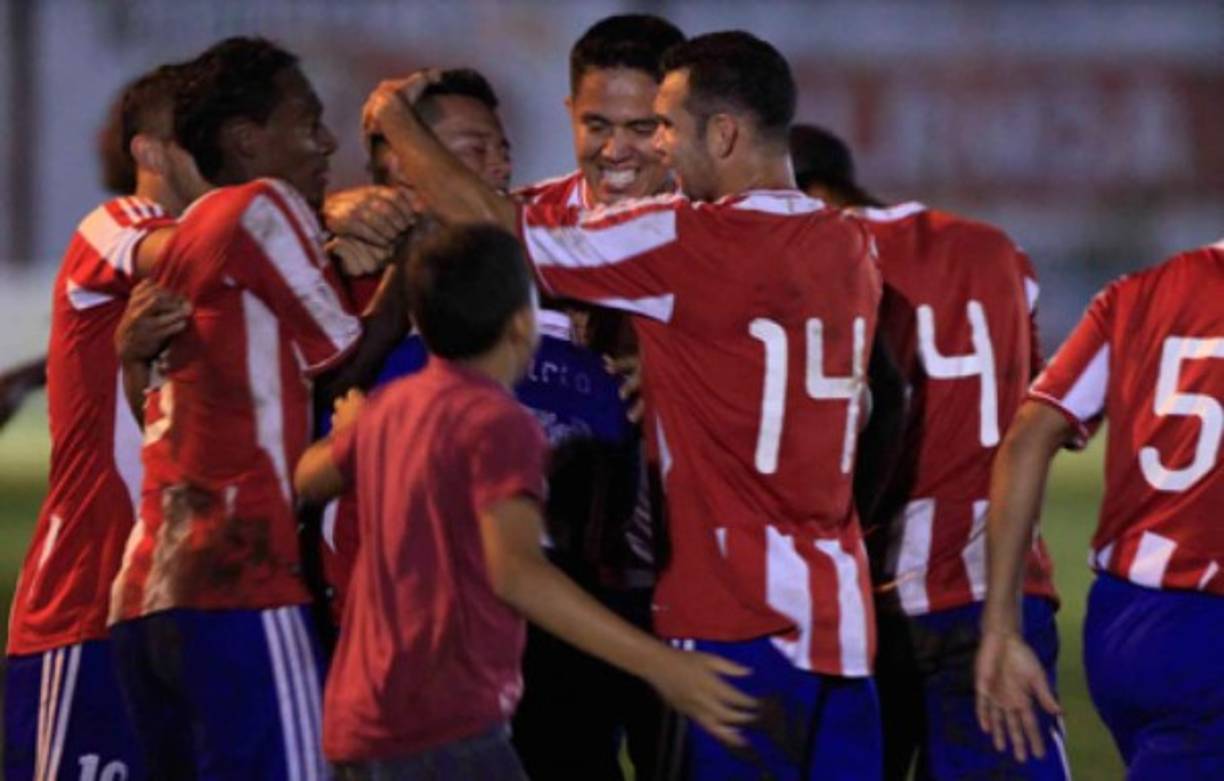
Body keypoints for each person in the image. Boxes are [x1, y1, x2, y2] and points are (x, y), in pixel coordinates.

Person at [364, 30, 886, 780]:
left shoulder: (685, 237)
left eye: (660, 125)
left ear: (725, 131)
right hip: (837, 621)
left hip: (728, 615)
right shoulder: (848, 247)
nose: (651, 147)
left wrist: (393, 115)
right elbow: (864, 398)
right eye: (603, 124)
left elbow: (496, 228)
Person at [295, 222, 756, 779]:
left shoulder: (394, 405)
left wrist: (349, 431)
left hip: (361, 716)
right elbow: (515, 572)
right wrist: (662, 665)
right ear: (522, 325)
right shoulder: (497, 422)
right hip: (442, 722)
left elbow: (307, 478)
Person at [105, 36, 404, 778]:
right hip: (239, 582)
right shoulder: (263, 206)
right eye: (308, 121)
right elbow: (341, 358)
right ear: (247, 140)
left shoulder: (181, 239)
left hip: (149, 592)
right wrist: (416, 268)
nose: (327, 140)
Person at [791, 125, 1067, 780]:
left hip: (866, 602)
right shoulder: (997, 249)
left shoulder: (815, 258)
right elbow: (1039, 406)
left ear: (817, 193)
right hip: (995, 589)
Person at [2, 61, 207, 781]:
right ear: (150, 150)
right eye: (204, 135)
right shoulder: (122, 223)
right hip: (86, 607)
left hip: (192, 608)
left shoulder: (238, 253)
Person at [976, 240, 1224, 779]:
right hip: (1210, 621)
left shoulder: (1135, 294)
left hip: (1127, 622)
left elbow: (1026, 437)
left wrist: (1000, 626)